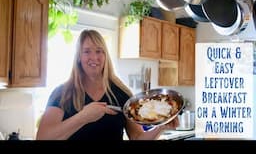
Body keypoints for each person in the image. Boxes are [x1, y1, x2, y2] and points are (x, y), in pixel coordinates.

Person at [36, 29, 179, 140]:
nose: (94, 57)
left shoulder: (121, 93)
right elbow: (43, 137)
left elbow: (137, 137)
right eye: (87, 51)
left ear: (105, 56)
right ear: (79, 57)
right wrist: (83, 117)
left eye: (99, 51)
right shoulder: (62, 93)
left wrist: (161, 127)